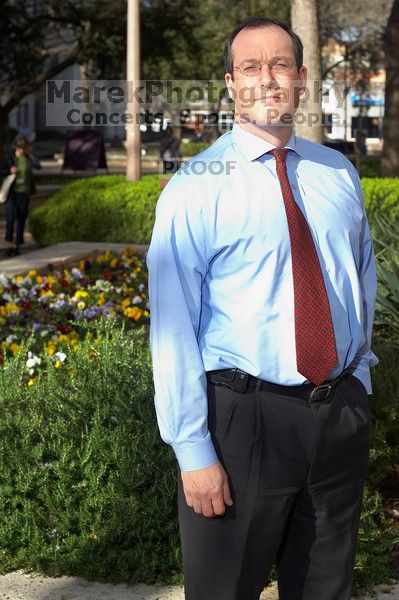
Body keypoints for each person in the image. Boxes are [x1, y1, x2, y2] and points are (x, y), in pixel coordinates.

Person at [147, 16, 377, 600]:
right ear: (230, 83)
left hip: (337, 414)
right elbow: (173, 326)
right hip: (243, 422)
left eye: (280, 65)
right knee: (224, 589)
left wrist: (360, 385)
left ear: (302, 78)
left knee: (325, 588)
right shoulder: (195, 187)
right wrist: (193, 448)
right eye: (251, 67)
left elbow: (360, 282)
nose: (267, 79)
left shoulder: (338, 174)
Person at [2, 134, 40, 257]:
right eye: (18, 148)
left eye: (22, 148)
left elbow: (38, 166)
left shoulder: (28, 158)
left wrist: (31, 153)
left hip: (23, 193)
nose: (20, 150)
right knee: (10, 218)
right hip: (11, 193)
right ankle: (9, 244)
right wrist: (9, 170)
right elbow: (1, 171)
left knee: (21, 218)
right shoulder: (9, 158)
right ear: (15, 147)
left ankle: (17, 245)